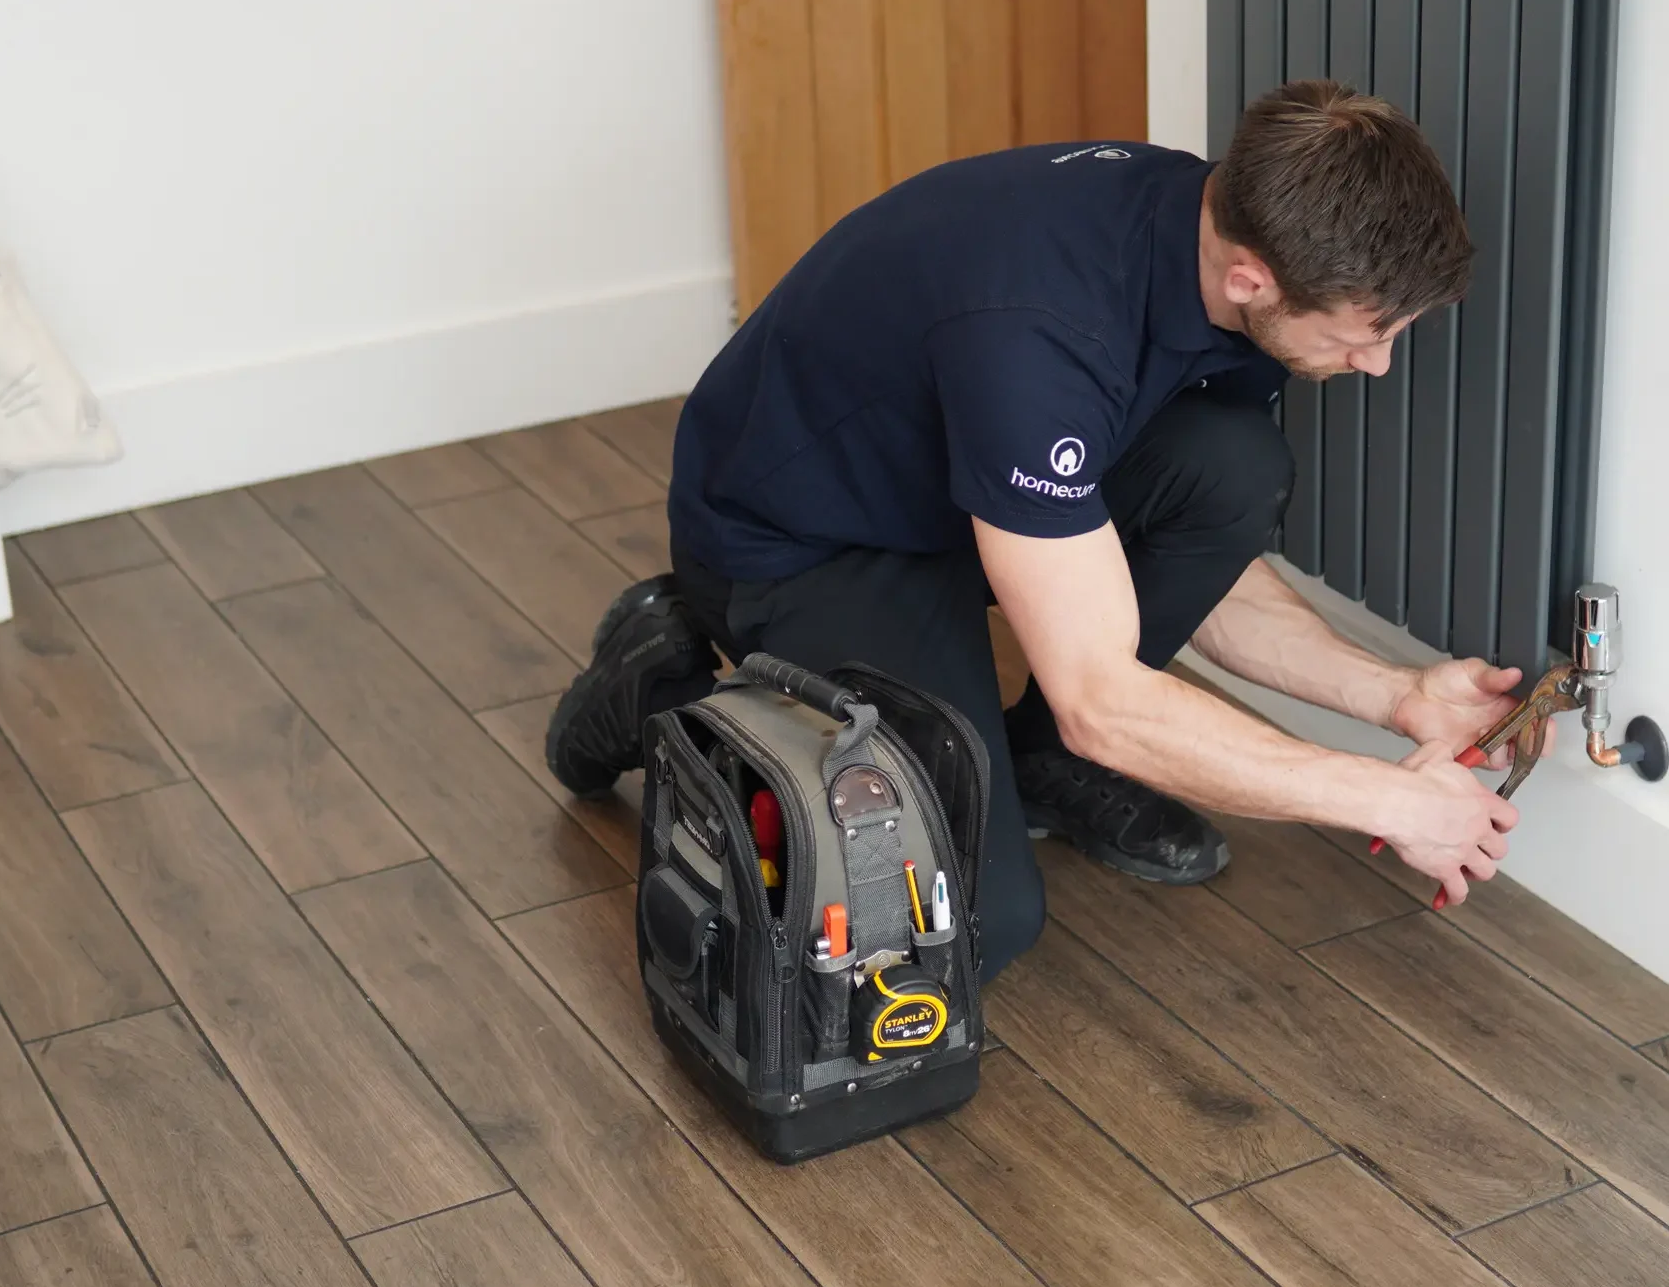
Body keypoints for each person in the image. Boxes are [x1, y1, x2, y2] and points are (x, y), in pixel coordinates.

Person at [546, 79, 1526, 986]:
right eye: (1363, 334)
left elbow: (1178, 563)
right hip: (800, 540)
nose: (1378, 365)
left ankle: (1041, 763)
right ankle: (660, 686)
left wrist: (1397, 698)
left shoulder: (1206, 237)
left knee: (1230, 466)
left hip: (963, 501)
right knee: (965, 923)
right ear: (1250, 278)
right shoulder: (1042, 333)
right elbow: (1103, 694)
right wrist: (1388, 802)